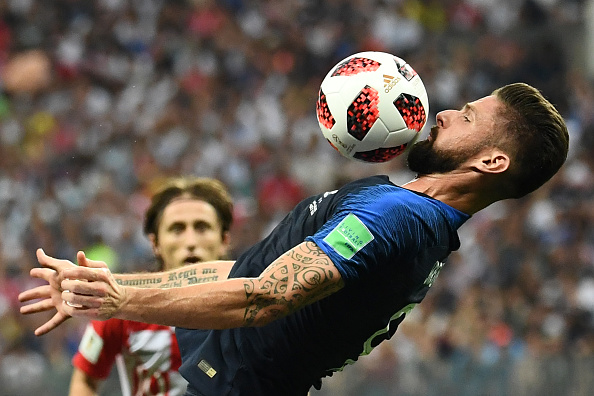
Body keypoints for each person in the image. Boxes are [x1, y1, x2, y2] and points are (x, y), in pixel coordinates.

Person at [20, 83, 568, 396]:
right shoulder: (415, 220)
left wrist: (122, 301)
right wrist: (112, 284)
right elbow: (241, 274)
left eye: (469, 116)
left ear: (492, 161)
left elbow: (265, 295)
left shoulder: (399, 217)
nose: (445, 113)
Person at [68, 177, 234, 396]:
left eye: (202, 227)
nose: (191, 241)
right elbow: (85, 380)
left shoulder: (254, 307)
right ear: (155, 244)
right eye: (177, 229)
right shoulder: (122, 303)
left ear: (224, 240)